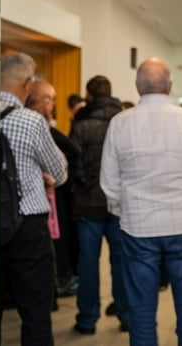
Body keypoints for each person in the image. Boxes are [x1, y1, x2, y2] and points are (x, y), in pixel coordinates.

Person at [100, 58, 182, 346]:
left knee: (140, 313)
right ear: (170, 86)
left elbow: (109, 184)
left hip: (138, 228)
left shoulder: (120, 123)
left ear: (138, 86)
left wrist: (125, 211)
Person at [0, 53, 68, 346]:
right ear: (27, 84)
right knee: (35, 311)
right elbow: (59, 171)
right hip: (27, 226)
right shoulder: (30, 121)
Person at [68, 75, 131, 334]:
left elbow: (74, 159)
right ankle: (126, 316)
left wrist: (83, 185)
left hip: (87, 203)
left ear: (89, 95)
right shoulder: (125, 119)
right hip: (118, 204)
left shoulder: (81, 121)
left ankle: (87, 319)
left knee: (88, 264)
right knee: (122, 263)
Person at [25, 79, 82, 308]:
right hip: (44, 201)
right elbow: (71, 153)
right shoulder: (39, 126)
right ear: (44, 101)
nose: (53, 106)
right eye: (52, 100)